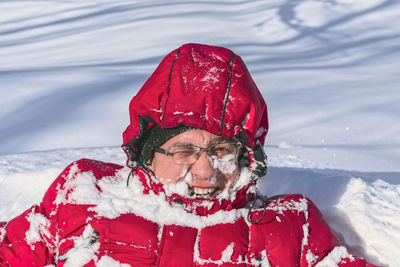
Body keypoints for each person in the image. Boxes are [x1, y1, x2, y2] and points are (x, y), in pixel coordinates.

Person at [0, 43, 376, 266]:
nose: (206, 170)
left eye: (223, 150)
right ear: (149, 151)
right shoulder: (87, 195)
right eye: (184, 150)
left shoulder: (289, 225)